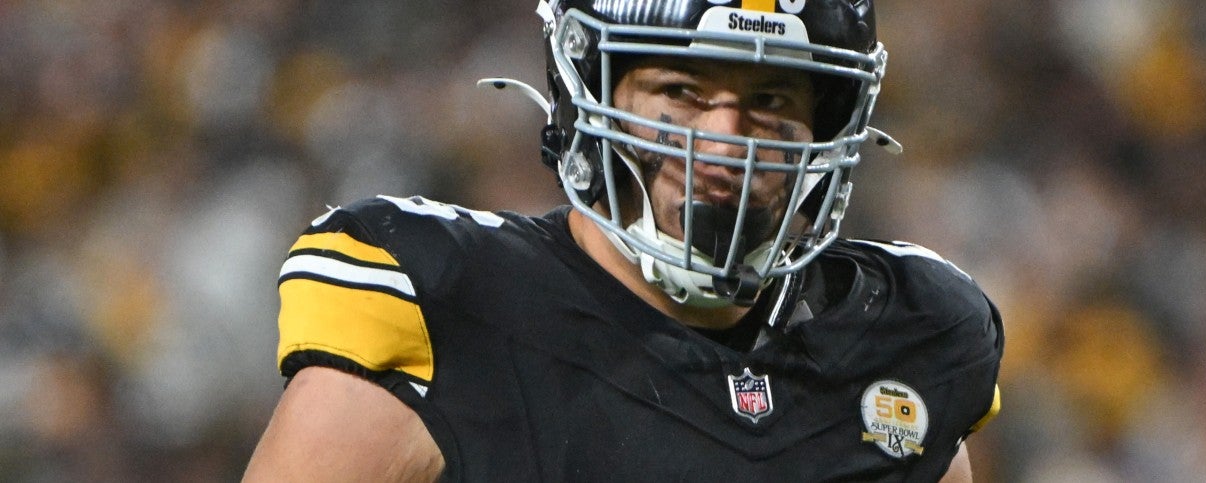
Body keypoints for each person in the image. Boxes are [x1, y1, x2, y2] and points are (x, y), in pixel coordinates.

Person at [244, 0, 1003, 481]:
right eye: (682, 92)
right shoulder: (446, 307)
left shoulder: (904, 343)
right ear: (589, 93)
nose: (725, 141)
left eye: (769, 100)